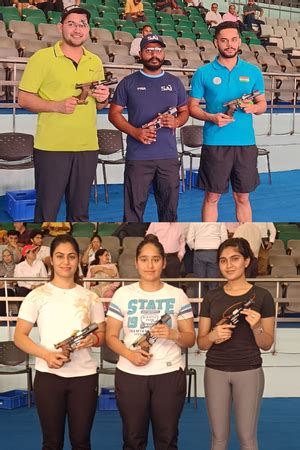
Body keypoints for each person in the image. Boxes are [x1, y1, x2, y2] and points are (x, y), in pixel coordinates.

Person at [18, 6, 110, 222]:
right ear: (60, 27)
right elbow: (24, 99)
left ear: (88, 29)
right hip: (52, 148)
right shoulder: (42, 58)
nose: (77, 29)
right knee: (46, 212)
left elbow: (99, 106)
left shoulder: (95, 61)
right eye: (71, 24)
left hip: (87, 147)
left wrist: (103, 97)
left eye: (82, 24)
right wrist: (56, 106)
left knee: (80, 214)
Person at [14, 234, 105, 450]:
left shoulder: (91, 297)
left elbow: (101, 335)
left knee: (81, 442)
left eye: (71, 257)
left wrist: (93, 339)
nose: (66, 262)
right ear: (51, 260)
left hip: (84, 378)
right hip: (48, 378)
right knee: (52, 443)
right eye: (60, 256)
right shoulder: (37, 296)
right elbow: (19, 336)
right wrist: (46, 355)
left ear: (77, 260)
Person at [106, 234, 195, 450]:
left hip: (169, 374)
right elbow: (110, 336)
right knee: (133, 439)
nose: (150, 265)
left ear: (164, 262)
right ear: (136, 263)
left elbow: (190, 339)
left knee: (167, 439)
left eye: (156, 259)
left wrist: (173, 334)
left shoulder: (178, 295)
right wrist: (129, 354)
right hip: (130, 375)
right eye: (144, 259)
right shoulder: (122, 294)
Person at [198, 237, 275, 450]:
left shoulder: (262, 296)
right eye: (223, 261)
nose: (229, 265)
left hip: (249, 370)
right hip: (215, 370)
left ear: (247, 261)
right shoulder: (211, 297)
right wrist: (212, 336)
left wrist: (257, 326)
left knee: (247, 437)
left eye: (235, 259)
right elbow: (202, 343)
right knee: (218, 437)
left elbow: (267, 343)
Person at [189, 21, 267, 222]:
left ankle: (245, 238)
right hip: (215, 143)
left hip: (245, 144)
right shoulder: (203, 73)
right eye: (224, 40)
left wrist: (253, 108)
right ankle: (207, 241)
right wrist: (211, 117)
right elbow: (192, 107)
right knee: (212, 197)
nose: (229, 44)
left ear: (239, 41)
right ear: (216, 42)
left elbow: (262, 105)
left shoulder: (252, 72)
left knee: (242, 197)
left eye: (233, 40)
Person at [109, 34, 189, 222]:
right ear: (140, 54)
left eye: (158, 50)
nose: (154, 54)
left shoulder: (175, 82)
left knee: (169, 211)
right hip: (138, 158)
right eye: (149, 50)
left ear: (164, 54)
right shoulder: (128, 83)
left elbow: (184, 111)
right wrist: (135, 132)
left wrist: (177, 121)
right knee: (133, 212)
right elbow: (114, 114)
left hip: (168, 157)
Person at [0, 249, 16, 317]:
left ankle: (2, 316)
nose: (7, 257)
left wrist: (4, 281)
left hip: (10, 288)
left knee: (2, 293)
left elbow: (16, 279)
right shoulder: (0, 266)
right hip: (0, 286)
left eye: (8, 255)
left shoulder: (17, 266)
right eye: (4, 256)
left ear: (12, 256)